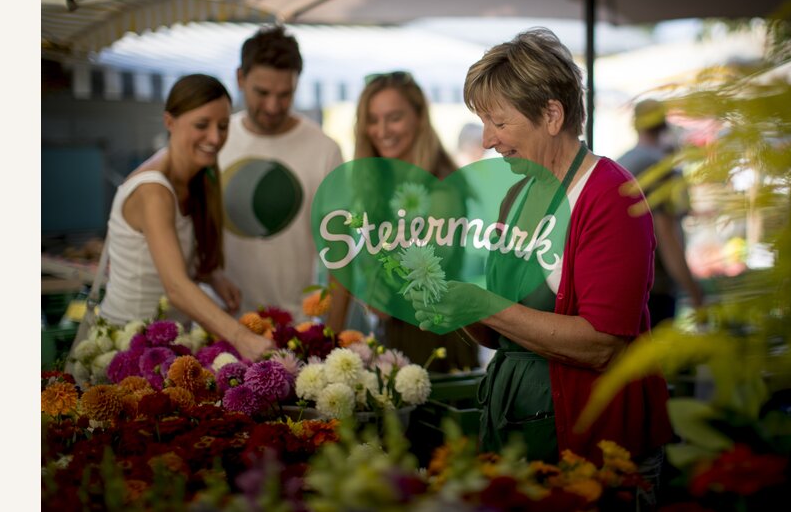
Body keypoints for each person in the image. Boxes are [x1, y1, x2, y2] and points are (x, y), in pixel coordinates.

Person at [409, 29, 672, 507]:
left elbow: (601, 346)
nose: (487, 141)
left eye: (499, 122)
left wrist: (482, 303)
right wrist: (456, 305)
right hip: (516, 434)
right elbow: (503, 331)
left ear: (552, 115)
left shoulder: (610, 196)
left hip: (593, 446)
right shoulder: (517, 195)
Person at [96, 74, 274, 361]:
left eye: (223, 126)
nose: (215, 138)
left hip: (170, 345)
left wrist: (211, 275)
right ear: (170, 122)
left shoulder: (197, 177)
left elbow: (168, 257)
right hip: (126, 346)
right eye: (202, 125)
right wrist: (242, 338)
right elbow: (176, 287)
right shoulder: (153, 190)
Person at [328, 71, 480, 373]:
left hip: (435, 341)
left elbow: (431, 267)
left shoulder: (442, 188)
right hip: (391, 338)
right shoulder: (379, 186)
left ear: (419, 117)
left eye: (394, 117)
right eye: (372, 119)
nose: (382, 130)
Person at [218, 25, 344, 318]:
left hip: (296, 327)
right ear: (240, 78)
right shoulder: (215, 141)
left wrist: (332, 339)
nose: (273, 106)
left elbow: (341, 256)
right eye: (262, 93)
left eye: (285, 94)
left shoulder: (325, 150)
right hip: (221, 324)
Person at [618, 99, 705, 328]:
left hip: (626, 283)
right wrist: (696, 295)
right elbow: (666, 235)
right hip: (654, 287)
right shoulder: (657, 166)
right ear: (664, 123)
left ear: (636, 125)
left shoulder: (624, 161)